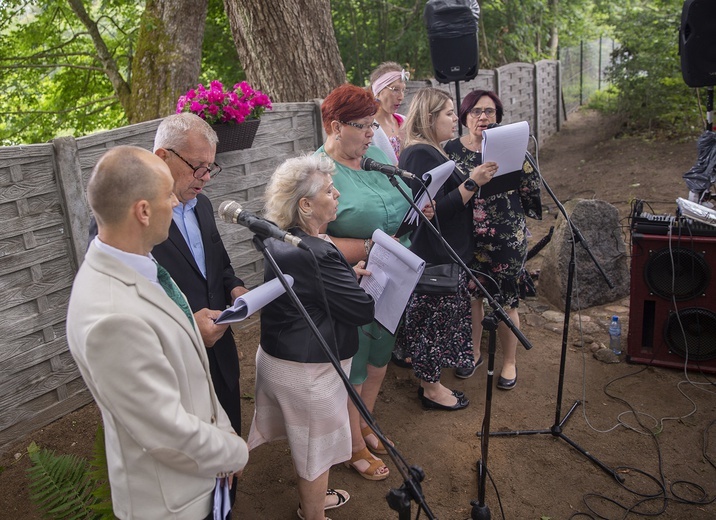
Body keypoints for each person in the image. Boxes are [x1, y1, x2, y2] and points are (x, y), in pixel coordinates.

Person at [67, 146, 248, 520]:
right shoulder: (111, 317)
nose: (176, 202)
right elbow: (165, 430)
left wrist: (225, 431)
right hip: (176, 501)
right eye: (167, 195)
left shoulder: (140, 263)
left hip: (205, 468)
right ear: (143, 211)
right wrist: (234, 452)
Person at [315, 83, 433, 481]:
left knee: (380, 355)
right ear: (335, 126)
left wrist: (420, 211)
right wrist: (366, 245)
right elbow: (312, 239)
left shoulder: (377, 155)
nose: (372, 133)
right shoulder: (316, 173)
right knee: (354, 363)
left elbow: (397, 204)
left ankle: (366, 420)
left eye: (371, 125)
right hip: (350, 280)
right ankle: (351, 444)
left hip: (393, 274)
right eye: (363, 126)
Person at [247, 155, 375, 520]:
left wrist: (344, 276)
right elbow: (362, 311)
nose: (337, 194)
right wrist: (355, 284)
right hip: (310, 369)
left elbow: (308, 287)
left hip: (279, 354)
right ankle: (313, 513)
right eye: (328, 190)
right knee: (315, 452)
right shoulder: (316, 251)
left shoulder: (278, 235)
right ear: (305, 204)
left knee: (305, 443)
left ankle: (314, 500)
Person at [396, 87, 495, 410]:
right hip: (435, 256)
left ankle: (433, 382)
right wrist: (473, 181)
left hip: (450, 252)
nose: (456, 119)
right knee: (431, 327)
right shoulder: (418, 154)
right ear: (429, 117)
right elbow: (429, 211)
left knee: (440, 324)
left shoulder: (434, 149)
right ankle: (431, 390)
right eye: (450, 114)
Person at [444, 89, 542, 389]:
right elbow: (446, 194)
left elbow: (529, 188)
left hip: (505, 235)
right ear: (464, 116)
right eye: (475, 111)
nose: (483, 117)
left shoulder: (512, 147)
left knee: (506, 300)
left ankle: (509, 362)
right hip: (465, 235)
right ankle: (472, 353)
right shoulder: (450, 149)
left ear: (498, 116)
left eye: (489, 111)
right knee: (471, 296)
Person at [369, 62, 409, 165]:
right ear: (377, 91)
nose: (401, 97)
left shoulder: (405, 122)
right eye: (395, 90)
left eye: (403, 90)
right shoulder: (367, 127)